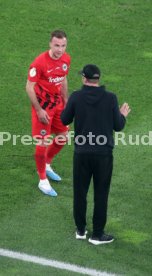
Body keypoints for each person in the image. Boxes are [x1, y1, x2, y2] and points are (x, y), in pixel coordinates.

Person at [61, 64, 130, 245]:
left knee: (80, 192)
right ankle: (97, 234)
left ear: (84, 78)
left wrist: (70, 105)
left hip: (82, 154)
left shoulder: (76, 96)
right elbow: (118, 126)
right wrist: (123, 115)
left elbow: (64, 119)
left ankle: (81, 230)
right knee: (101, 194)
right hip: (103, 155)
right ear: (97, 79)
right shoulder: (110, 98)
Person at [26, 30, 71, 197]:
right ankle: (42, 180)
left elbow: (63, 78)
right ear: (50, 44)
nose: (60, 49)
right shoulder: (39, 63)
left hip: (58, 105)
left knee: (63, 137)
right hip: (43, 108)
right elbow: (29, 87)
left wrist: (66, 101)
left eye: (63, 45)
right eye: (57, 45)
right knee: (42, 143)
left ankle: (47, 163)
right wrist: (38, 110)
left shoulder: (66, 59)